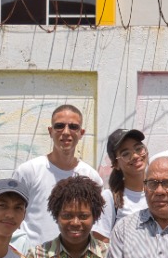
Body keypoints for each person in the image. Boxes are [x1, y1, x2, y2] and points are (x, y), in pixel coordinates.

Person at [14, 104, 111, 245]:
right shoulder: (28, 171)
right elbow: (13, 216)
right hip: (32, 255)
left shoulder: (91, 176)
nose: (66, 132)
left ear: (81, 133)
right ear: (50, 131)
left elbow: (97, 224)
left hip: (76, 257)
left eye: (73, 127)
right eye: (59, 126)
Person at [105, 128, 150, 231]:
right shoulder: (110, 198)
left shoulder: (159, 192)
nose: (135, 156)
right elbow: (102, 239)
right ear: (116, 164)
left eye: (138, 148)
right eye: (125, 154)